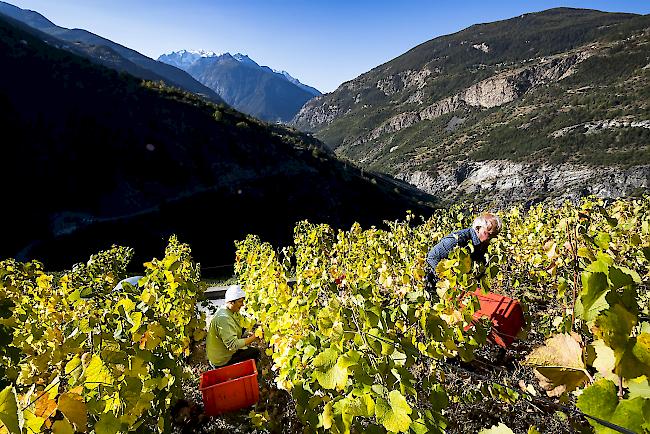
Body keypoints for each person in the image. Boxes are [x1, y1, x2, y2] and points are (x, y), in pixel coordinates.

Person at [426, 213, 502, 288]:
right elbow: (432, 257)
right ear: (478, 229)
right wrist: (446, 279)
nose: (492, 238)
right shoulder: (455, 241)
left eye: (495, 235)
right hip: (437, 284)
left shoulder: (483, 243)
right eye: (490, 234)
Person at [206, 284, 261, 367]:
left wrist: (257, 323)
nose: (242, 304)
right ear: (231, 302)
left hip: (220, 353)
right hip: (221, 360)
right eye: (240, 302)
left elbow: (243, 321)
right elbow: (233, 345)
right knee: (255, 353)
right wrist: (253, 338)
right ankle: (244, 373)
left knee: (242, 328)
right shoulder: (224, 319)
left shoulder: (228, 310)